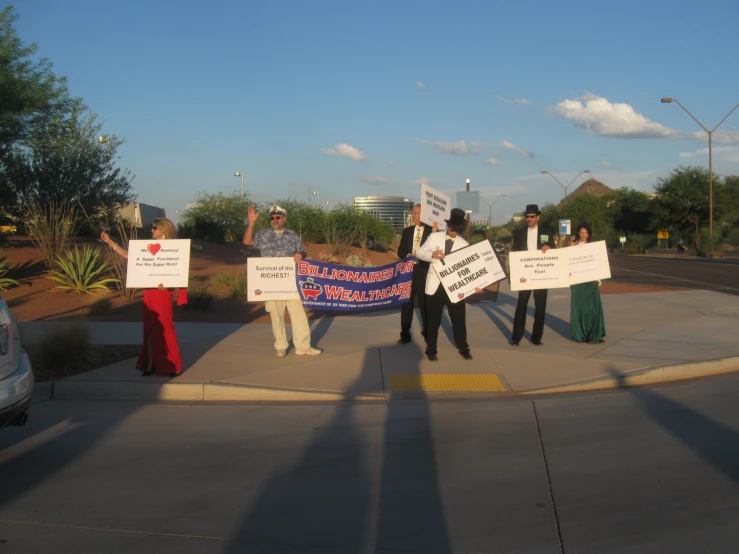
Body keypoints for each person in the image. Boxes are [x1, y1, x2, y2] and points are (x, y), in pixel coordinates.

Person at [101, 218, 188, 377]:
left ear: (163, 229)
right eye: (152, 227)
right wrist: (110, 242)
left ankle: (173, 365)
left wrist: (168, 283)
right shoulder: (146, 247)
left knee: (165, 327)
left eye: (154, 228)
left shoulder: (175, 248)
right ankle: (150, 364)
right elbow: (129, 256)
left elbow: (178, 271)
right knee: (149, 328)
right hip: (149, 291)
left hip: (163, 293)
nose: (152, 230)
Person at [243, 204, 321, 358]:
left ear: (284, 218)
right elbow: (247, 242)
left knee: (299, 315)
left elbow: (302, 250)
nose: (275, 220)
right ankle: (280, 345)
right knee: (276, 315)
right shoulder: (263, 234)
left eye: (278, 217)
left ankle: (303, 346)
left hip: (291, 283)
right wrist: (251, 223)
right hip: (272, 284)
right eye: (272, 218)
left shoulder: (292, 235)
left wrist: (300, 254)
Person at [416, 208, 480, 361]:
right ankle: (431, 350)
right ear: (448, 225)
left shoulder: (464, 244)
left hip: (455, 288)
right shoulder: (434, 237)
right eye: (451, 228)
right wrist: (432, 254)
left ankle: (463, 348)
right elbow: (419, 253)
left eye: (457, 229)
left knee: (458, 320)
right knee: (433, 321)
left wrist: (474, 286)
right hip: (435, 287)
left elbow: (469, 270)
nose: (453, 231)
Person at [510, 204, 556, 346]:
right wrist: (512, 275)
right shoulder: (519, 233)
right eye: (527, 216)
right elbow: (514, 254)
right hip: (524, 275)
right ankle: (516, 337)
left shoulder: (547, 233)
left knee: (540, 307)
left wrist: (549, 247)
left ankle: (536, 338)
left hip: (541, 275)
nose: (529, 219)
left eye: (532, 216)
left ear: (538, 217)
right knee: (521, 305)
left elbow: (554, 251)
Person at [396, 204, 437, 344]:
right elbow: (400, 252)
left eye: (416, 213)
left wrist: (436, 233)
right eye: (413, 213)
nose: (413, 215)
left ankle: (427, 333)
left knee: (424, 303)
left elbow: (436, 250)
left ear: (423, 214)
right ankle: (405, 334)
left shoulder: (432, 232)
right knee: (406, 304)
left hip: (423, 271)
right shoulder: (407, 232)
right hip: (408, 272)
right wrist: (407, 254)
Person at [569, 222, 606, 343]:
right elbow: (568, 260)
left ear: (589, 234)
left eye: (586, 233)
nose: (584, 235)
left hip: (591, 280)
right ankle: (580, 333)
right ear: (578, 232)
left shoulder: (593, 246)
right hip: (578, 281)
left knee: (592, 308)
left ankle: (595, 333)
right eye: (581, 232)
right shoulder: (572, 244)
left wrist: (599, 277)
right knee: (580, 307)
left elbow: (598, 262)